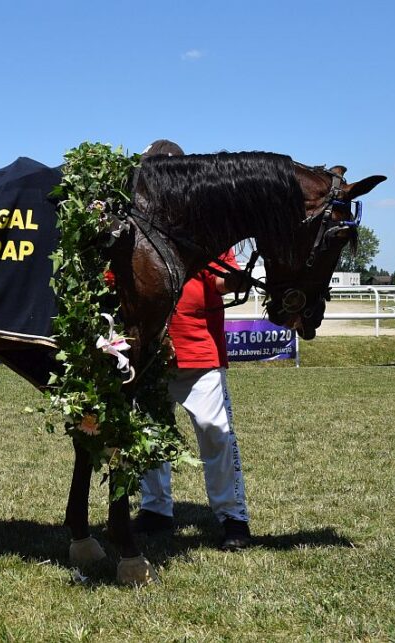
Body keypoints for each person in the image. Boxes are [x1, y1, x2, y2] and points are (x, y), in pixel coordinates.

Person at [133, 139, 251, 550]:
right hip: (148, 350)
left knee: (215, 432)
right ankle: (155, 508)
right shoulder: (136, 223)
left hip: (199, 349)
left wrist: (234, 281)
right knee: (149, 432)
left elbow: (221, 279)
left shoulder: (207, 223)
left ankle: (232, 517)